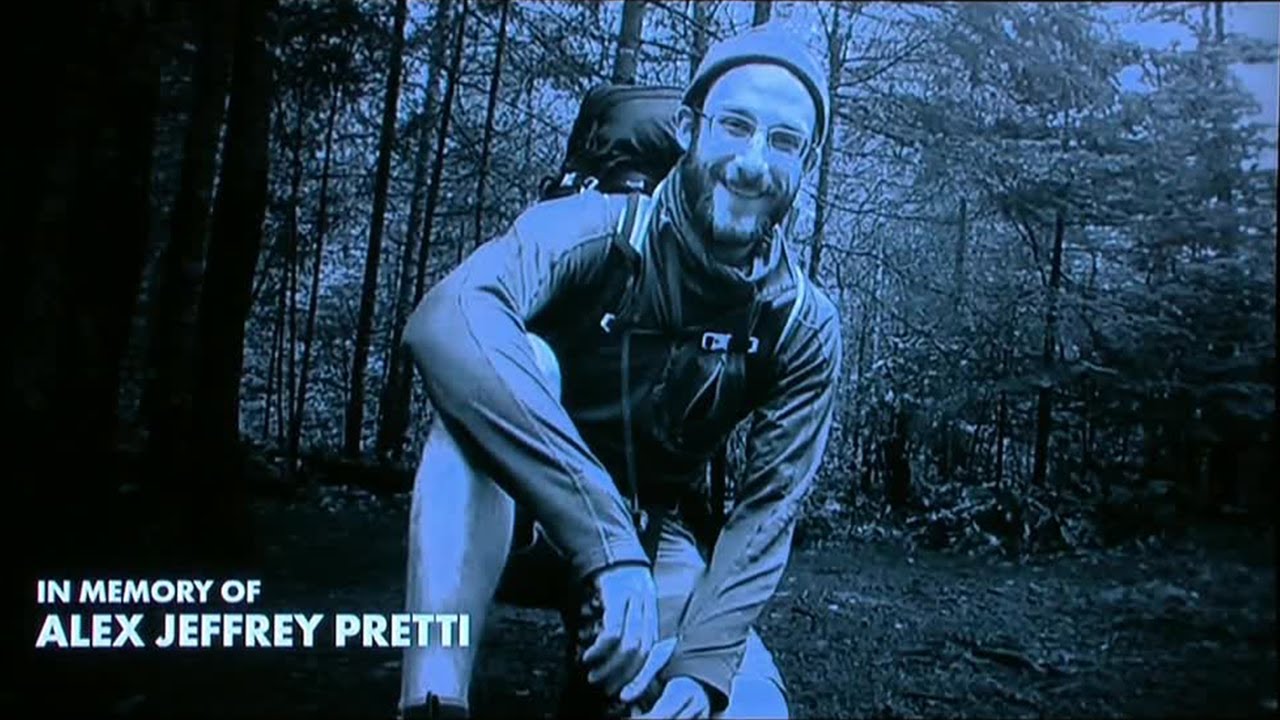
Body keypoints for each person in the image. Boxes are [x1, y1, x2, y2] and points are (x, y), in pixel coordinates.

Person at [398, 22, 841, 720]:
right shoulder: (591, 227)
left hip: (652, 538)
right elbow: (446, 318)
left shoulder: (801, 321)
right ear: (693, 129)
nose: (753, 163)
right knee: (495, 397)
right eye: (735, 126)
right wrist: (602, 538)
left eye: (783, 141)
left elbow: (766, 511)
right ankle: (432, 703)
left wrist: (701, 669)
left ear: (806, 164)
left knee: (751, 707)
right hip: (517, 515)